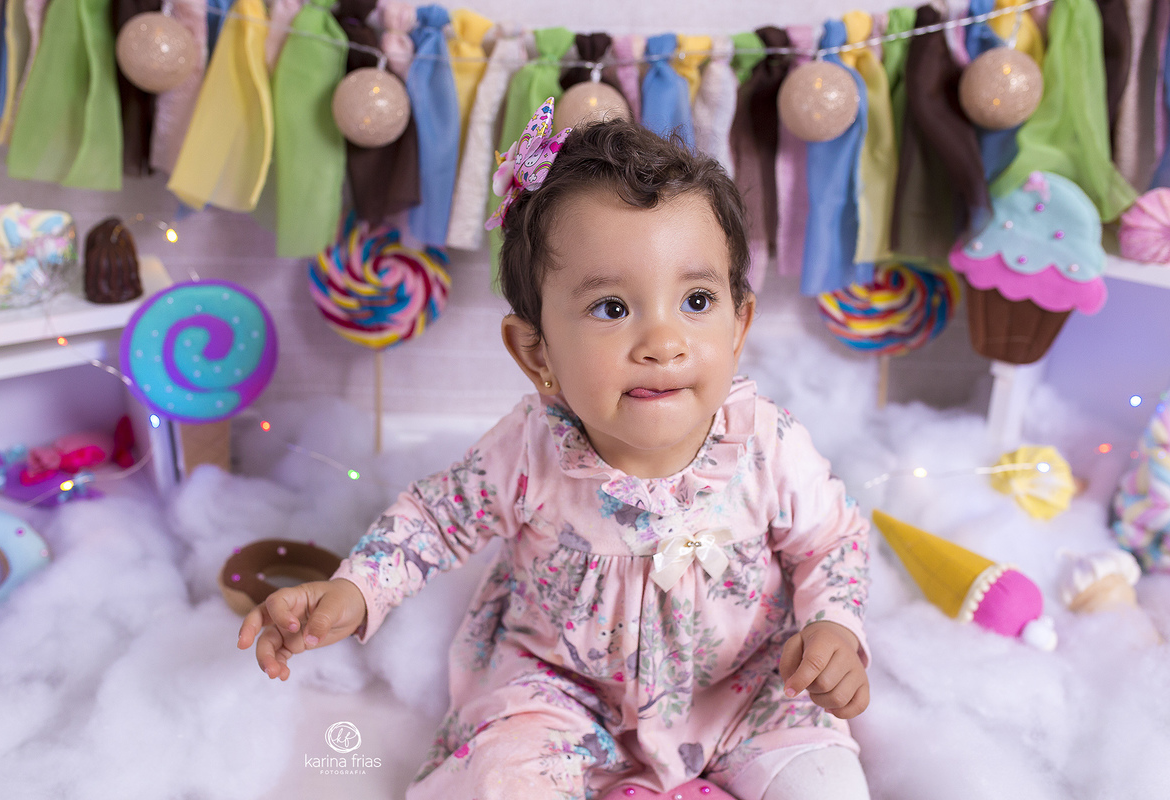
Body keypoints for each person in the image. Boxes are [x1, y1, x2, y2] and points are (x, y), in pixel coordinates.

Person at [237, 100, 872, 800]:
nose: (664, 343)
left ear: (739, 324)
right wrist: (355, 589)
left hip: (744, 686)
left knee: (826, 782)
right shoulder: (531, 450)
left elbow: (832, 542)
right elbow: (433, 520)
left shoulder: (767, 445)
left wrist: (833, 628)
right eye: (612, 308)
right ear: (536, 353)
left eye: (696, 301)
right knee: (509, 776)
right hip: (564, 691)